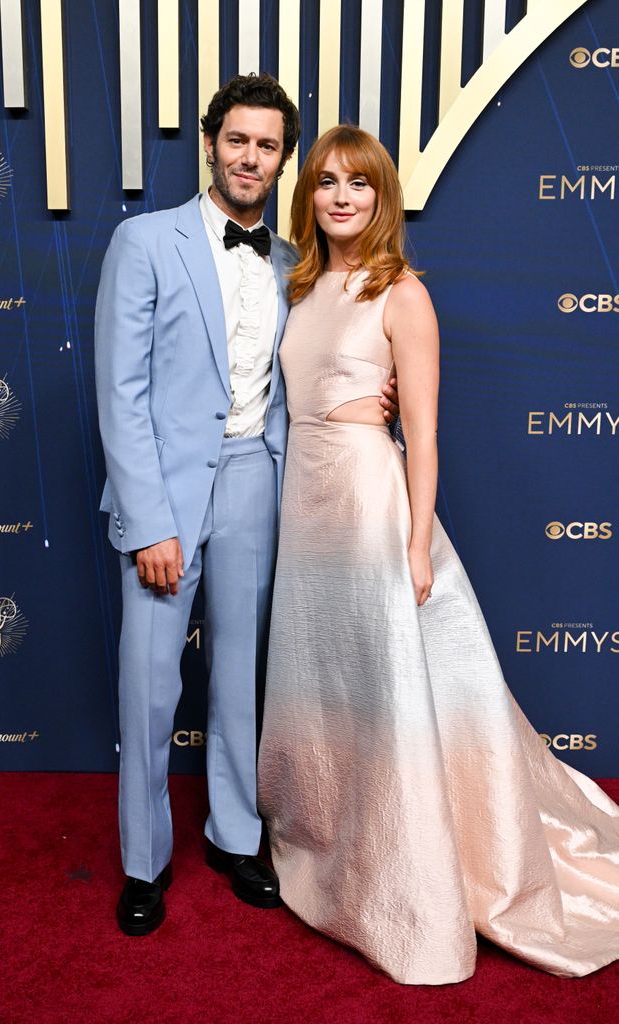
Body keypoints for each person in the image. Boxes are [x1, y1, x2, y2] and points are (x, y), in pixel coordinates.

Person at [257, 125, 619, 985]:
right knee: (332, 683)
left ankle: (405, 877)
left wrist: (417, 543)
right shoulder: (302, 289)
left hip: (370, 505)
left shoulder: (402, 294)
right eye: (326, 182)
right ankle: (334, 842)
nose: (341, 196)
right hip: (305, 513)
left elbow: (421, 435)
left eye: (360, 184)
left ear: (383, 199)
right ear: (307, 198)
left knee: (390, 688)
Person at [95, 75, 399, 936]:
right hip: (167, 492)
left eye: (267, 146)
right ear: (210, 143)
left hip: (257, 482)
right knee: (150, 686)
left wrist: (371, 406)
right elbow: (119, 391)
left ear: (281, 159)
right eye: (238, 141)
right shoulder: (145, 241)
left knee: (241, 678)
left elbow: (321, 365)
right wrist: (150, 519)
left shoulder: (289, 263)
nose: (251, 158)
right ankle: (144, 861)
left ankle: (235, 836)